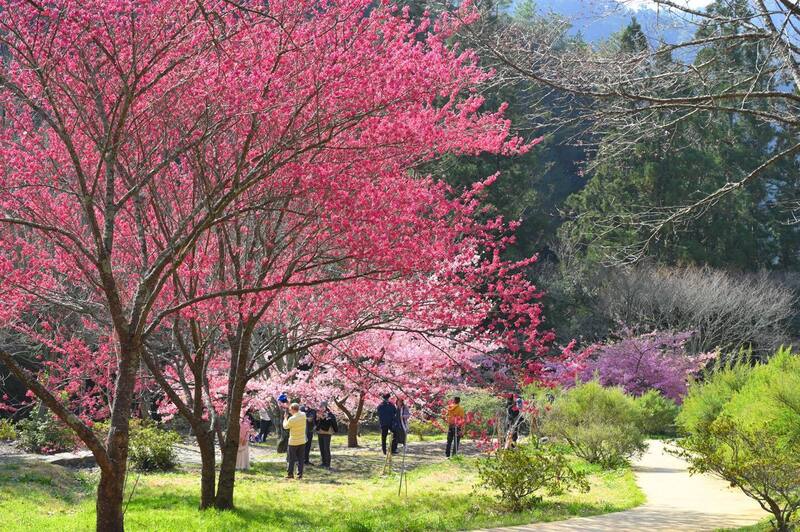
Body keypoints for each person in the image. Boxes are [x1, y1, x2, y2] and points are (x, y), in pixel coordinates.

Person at [283, 403, 307, 479]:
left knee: (291, 459)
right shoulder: (303, 415)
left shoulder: (292, 419)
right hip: (302, 440)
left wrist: (285, 418)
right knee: (301, 458)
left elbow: (285, 426)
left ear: (293, 409)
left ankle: (290, 474)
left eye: (290, 410)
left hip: (293, 441)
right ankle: (300, 475)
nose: (289, 411)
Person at [315, 401, 338, 468]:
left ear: (325, 406)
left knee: (326, 448)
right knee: (321, 448)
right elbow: (316, 422)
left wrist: (323, 418)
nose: (321, 408)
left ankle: (327, 464)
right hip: (320, 432)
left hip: (327, 432)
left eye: (322, 406)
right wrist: (317, 418)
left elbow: (331, 421)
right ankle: (323, 462)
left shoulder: (330, 413)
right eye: (320, 406)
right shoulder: (319, 413)